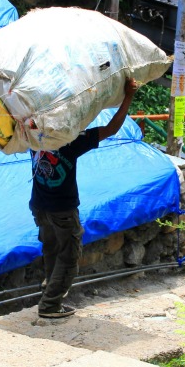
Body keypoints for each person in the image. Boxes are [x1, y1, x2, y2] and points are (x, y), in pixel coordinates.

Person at [29, 77, 139, 318]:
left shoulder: (33, 136)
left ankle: (51, 288)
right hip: (62, 210)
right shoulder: (71, 143)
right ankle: (50, 306)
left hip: (39, 206)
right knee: (69, 256)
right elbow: (111, 129)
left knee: (51, 248)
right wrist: (128, 95)